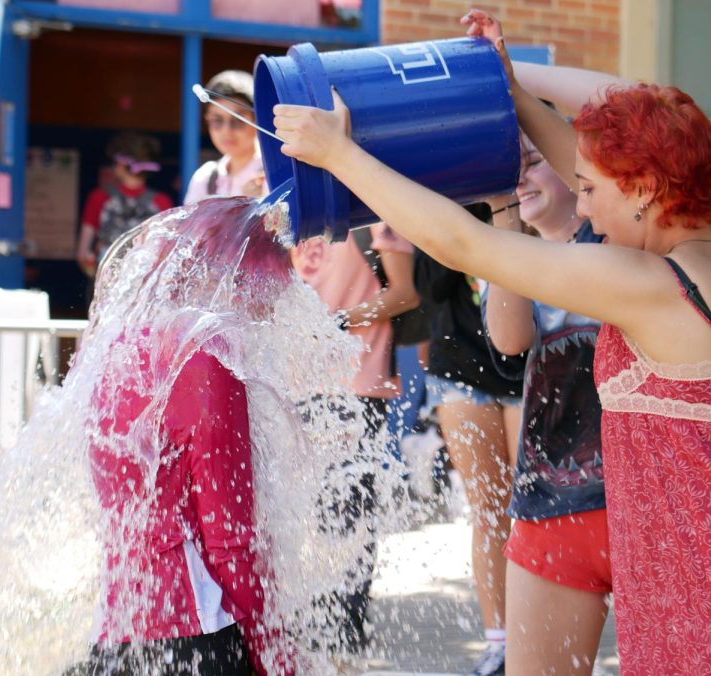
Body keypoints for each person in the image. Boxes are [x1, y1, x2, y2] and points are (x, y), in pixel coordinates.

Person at [271, 9, 711, 673]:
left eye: (590, 190)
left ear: (647, 191)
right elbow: (631, 117)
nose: (582, 205)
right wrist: (510, 91)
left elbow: (466, 242)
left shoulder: (655, 285)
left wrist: (340, 154)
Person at [82, 200, 294, 676]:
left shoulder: (116, 351)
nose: (270, 316)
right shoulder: (207, 365)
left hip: (117, 632)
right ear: (234, 279)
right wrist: (274, 653)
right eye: (268, 295)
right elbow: (228, 541)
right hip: (196, 635)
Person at [483, 135, 609, 675]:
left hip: (640, 505)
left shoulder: (615, 240)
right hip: (550, 506)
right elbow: (510, 340)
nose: (519, 178)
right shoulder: (511, 255)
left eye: (533, 163)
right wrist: (502, 215)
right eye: (508, 168)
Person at [290, 222, 418, 660]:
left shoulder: (376, 213)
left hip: (358, 384)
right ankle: (305, 628)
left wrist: (335, 323)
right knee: (298, 515)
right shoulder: (289, 209)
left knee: (349, 515)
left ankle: (344, 632)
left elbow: (404, 294)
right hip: (293, 385)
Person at [412, 204, 522, 676]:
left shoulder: (526, 193)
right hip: (460, 365)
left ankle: (536, 636)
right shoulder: (442, 197)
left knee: (533, 509)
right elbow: (427, 288)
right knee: (488, 507)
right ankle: (498, 643)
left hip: (527, 362)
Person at [75, 131, 173, 282]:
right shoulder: (162, 202)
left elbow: (83, 253)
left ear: (121, 164)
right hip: (145, 288)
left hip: (106, 285)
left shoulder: (99, 198)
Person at [184, 70, 266, 204]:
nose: (226, 131)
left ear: (257, 120)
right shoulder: (205, 178)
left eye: (238, 120)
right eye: (217, 120)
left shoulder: (274, 176)